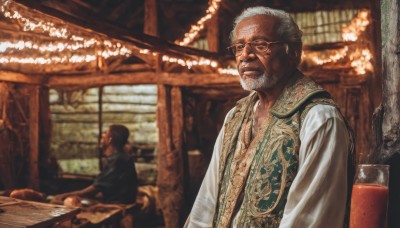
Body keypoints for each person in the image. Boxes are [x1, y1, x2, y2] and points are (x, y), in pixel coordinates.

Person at [185, 6, 354, 228]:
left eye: (260, 44)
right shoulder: (235, 117)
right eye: (239, 47)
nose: (246, 55)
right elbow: (206, 204)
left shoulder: (319, 119)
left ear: (293, 52)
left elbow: (309, 220)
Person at [55, 124, 138, 205]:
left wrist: (63, 196)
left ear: (110, 140)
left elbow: (95, 189)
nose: (102, 136)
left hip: (118, 205)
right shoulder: (121, 157)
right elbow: (108, 187)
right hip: (116, 201)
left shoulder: (118, 160)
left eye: (105, 133)